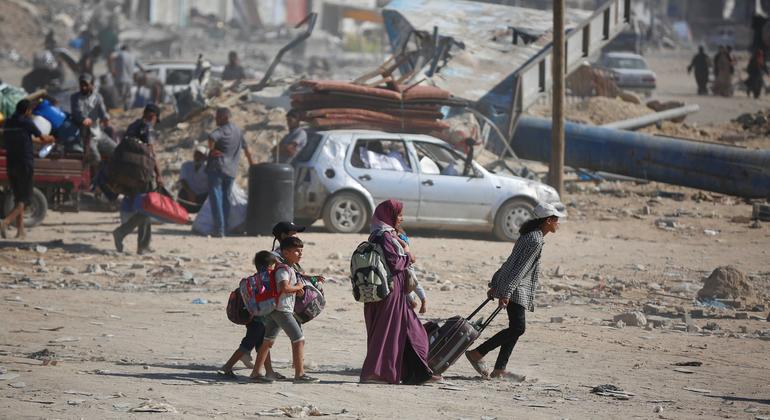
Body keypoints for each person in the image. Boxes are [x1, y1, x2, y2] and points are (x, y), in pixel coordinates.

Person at [465, 202, 564, 380]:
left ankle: (499, 369)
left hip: (511, 286)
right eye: (556, 220)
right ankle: (478, 353)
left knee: (515, 328)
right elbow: (521, 268)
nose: (558, 224)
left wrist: (496, 282)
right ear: (548, 220)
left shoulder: (530, 235)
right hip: (517, 289)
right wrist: (507, 292)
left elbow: (510, 262)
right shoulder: (535, 240)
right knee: (518, 328)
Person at [360, 199, 436, 385]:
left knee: (410, 332)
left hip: (394, 292)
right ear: (389, 216)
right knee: (387, 333)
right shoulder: (384, 236)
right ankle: (375, 373)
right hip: (390, 292)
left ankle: (417, 373)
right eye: (399, 215)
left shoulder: (385, 235)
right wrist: (408, 255)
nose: (401, 218)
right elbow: (395, 263)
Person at [251, 237, 320, 383]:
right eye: (296, 251)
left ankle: (256, 373)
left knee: (268, 341)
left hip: (275, 308)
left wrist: (296, 289)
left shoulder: (287, 268)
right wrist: (299, 287)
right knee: (299, 339)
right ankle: (300, 374)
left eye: (301, 251)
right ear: (286, 252)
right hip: (282, 310)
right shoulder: (283, 269)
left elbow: (286, 288)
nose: (300, 254)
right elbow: (284, 287)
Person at [220, 250, 282, 379]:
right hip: (261, 320)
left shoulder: (254, 279)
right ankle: (227, 367)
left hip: (253, 317)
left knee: (262, 346)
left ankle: (269, 371)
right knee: (247, 345)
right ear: (271, 265)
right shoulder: (268, 279)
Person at [112, 104, 163, 255]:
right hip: (142, 175)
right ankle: (123, 233)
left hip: (128, 175)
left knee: (145, 208)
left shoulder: (132, 126)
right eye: (155, 119)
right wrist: (158, 174)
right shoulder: (147, 128)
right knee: (147, 209)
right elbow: (151, 154)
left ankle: (143, 244)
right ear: (153, 116)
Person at [0, 100, 55, 239]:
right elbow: (42, 137)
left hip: (11, 163)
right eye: (30, 111)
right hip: (24, 163)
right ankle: (5, 222)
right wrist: (52, 139)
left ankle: (21, 231)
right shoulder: (27, 122)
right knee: (27, 198)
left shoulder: (8, 123)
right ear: (26, 111)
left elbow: (28, 138)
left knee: (19, 196)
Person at [206, 107, 254, 237]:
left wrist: (212, 150)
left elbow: (211, 137)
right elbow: (247, 149)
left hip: (217, 167)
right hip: (231, 170)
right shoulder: (238, 131)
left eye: (218, 117)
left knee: (216, 198)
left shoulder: (222, 130)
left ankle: (219, 229)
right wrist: (252, 165)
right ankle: (225, 228)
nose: (215, 119)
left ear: (225, 118)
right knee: (226, 199)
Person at [70, 73, 114, 163]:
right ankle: (94, 176)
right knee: (96, 158)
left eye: (86, 85)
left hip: (97, 132)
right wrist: (83, 119)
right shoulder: (75, 98)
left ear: (91, 85)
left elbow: (102, 112)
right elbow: (77, 112)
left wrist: (105, 118)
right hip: (84, 135)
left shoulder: (97, 97)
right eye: (81, 85)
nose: (83, 88)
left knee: (115, 150)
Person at [271, 221, 325, 288]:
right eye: (294, 234)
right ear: (283, 236)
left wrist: (311, 278)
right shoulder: (276, 258)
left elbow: (295, 274)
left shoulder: (290, 254)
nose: (297, 237)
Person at [176, 146, 209, 213]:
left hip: (202, 196)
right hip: (189, 194)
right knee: (182, 193)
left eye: (200, 155)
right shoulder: (186, 166)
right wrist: (190, 192)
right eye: (196, 154)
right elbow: (183, 180)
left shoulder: (208, 168)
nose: (197, 157)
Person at [110, 45, 138, 109]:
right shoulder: (132, 56)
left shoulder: (120, 54)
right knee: (127, 98)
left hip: (121, 80)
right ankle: (126, 111)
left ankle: (121, 112)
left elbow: (111, 56)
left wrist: (112, 70)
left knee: (120, 97)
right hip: (130, 81)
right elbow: (140, 65)